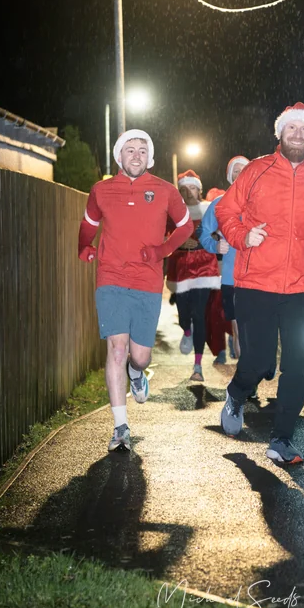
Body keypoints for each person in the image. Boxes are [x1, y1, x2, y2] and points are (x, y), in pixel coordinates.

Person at [216, 102, 304, 465]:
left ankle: (281, 439)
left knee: (297, 364)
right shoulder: (257, 170)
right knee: (257, 360)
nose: (298, 134)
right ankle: (238, 393)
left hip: (302, 288)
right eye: (292, 128)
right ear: (281, 133)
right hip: (256, 282)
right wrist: (243, 235)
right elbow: (226, 210)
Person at [78, 129, 193, 452]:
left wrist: (161, 251)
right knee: (116, 348)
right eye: (130, 149)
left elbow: (186, 226)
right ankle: (120, 428)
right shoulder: (101, 190)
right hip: (111, 278)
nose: (136, 155)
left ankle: (137, 372)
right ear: (119, 156)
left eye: (142, 150)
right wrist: (84, 245)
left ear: (150, 157)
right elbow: (88, 222)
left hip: (147, 281)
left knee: (139, 356)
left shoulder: (165, 190)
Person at [167, 170, 221, 382]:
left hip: (204, 266)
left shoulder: (208, 209)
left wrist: (211, 238)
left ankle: (197, 367)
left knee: (200, 314)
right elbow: (163, 236)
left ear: (199, 189)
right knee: (184, 314)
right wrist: (178, 241)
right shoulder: (173, 212)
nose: (188, 192)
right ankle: (186, 331)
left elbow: (219, 230)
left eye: (192, 188)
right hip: (181, 267)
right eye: (183, 189)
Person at [199, 156, 249, 361]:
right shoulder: (220, 204)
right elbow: (203, 233)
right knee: (240, 330)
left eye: (243, 170)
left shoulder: (263, 202)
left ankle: (257, 370)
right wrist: (215, 245)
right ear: (230, 177)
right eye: (235, 171)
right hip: (232, 278)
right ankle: (246, 385)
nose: (239, 175)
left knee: (256, 332)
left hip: (263, 278)